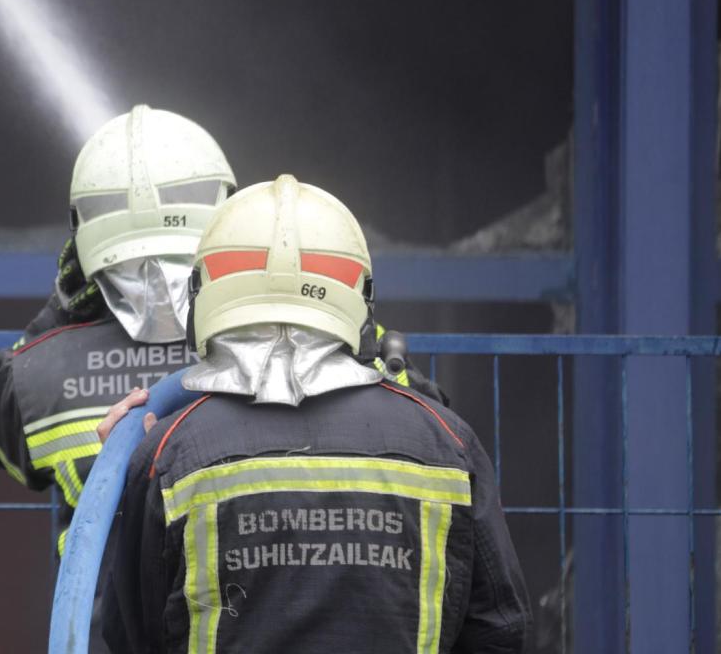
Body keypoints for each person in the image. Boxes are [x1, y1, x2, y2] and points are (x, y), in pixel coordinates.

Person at [0, 106, 441, 552]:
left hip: (106, 612)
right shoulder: (304, 344)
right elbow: (427, 420)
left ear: (83, 242)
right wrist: (350, 326)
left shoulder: (39, 374)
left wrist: (62, 310)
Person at [99, 175, 528, 653]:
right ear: (359, 295)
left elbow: (126, 635)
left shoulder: (168, 452)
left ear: (204, 292)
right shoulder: (448, 442)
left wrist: (131, 469)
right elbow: (499, 630)